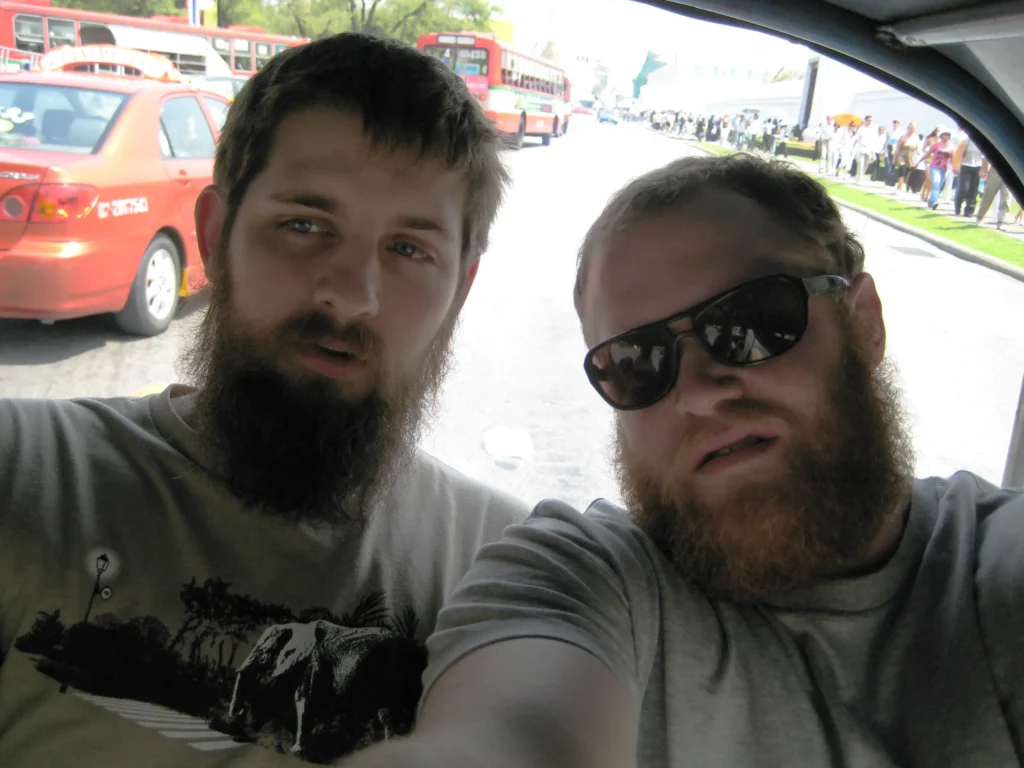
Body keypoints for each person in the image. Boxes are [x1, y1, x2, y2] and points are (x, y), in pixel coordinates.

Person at [339, 154, 1024, 768]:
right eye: (636, 363)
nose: (697, 393)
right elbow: (515, 730)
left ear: (863, 321)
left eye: (750, 322)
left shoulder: (997, 566)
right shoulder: (584, 580)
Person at [0, 33, 529, 766]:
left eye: (410, 250)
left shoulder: (505, 570)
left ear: (459, 293)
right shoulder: (23, 475)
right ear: (214, 237)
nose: (351, 295)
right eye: (304, 225)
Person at [916, 127, 956, 209]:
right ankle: (934, 202)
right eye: (945, 135)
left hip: (944, 169)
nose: (947, 137)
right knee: (936, 184)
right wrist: (918, 162)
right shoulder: (936, 145)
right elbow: (928, 154)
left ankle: (931, 202)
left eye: (948, 135)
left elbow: (952, 159)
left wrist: (955, 168)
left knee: (939, 186)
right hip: (934, 167)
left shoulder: (951, 148)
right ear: (941, 136)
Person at [976, 157, 1012, 230]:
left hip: (1010, 171)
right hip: (996, 169)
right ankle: (980, 217)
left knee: (1006, 197)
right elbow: (986, 155)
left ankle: (1001, 222)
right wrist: (983, 168)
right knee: (988, 195)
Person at [954, 133, 984, 216]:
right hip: (966, 165)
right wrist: (958, 165)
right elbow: (961, 153)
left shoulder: (984, 142)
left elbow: (985, 157)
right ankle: (958, 206)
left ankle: (969, 210)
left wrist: (984, 169)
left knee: (974, 189)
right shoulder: (968, 140)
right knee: (964, 188)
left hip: (977, 166)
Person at [893, 121, 919, 193]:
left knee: (907, 172)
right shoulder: (903, 137)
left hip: (910, 156)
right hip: (902, 155)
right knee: (902, 169)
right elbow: (898, 148)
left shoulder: (915, 138)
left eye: (912, 128)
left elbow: (918, 149)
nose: (910, 129)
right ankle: (899, 188)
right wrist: (895, 157)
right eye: (909, 128)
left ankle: (901, 185)